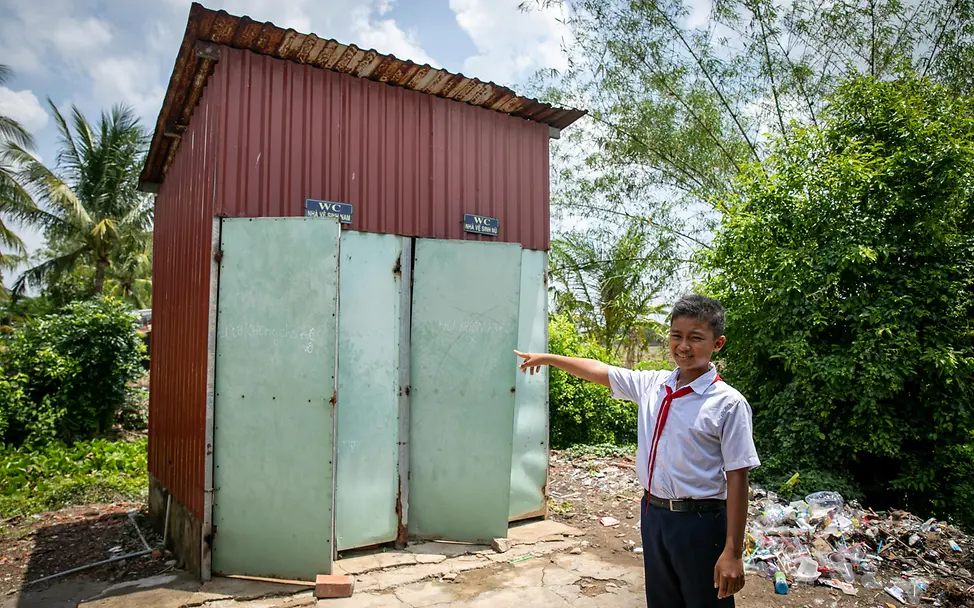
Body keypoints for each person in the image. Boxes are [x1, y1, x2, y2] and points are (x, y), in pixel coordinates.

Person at [515, 294, 759, 608]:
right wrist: (548, 358)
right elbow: (599, 371)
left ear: (718, 343)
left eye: (696, 338)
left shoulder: (728, 403)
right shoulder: (653, 385)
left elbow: (738, 478)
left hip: (700, 523)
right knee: (661, 600)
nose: (683, 346)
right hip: (654, 515)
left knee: (704, 601)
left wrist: (733, 552)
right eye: (676, 336)